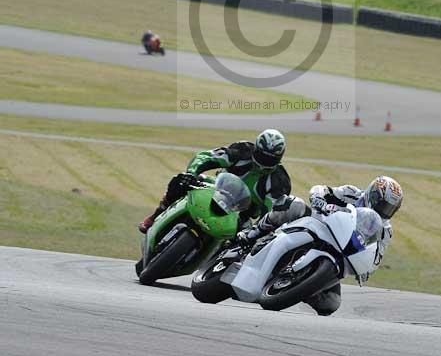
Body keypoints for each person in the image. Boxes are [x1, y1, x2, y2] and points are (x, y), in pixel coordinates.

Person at [236, 175, 403, 316]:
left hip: (339, 253)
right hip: (317, 226)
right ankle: (252, 234)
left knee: (331, 304)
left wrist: (365, 268)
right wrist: (320, 200)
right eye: (383, 205)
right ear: (372, 195)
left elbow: (376, 257)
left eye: (390, 209)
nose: (384, 211)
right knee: (294, 205)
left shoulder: (384, 230)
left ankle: (299, 286)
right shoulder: (352, 193)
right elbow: (321, 189)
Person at [138, 129, 300, 232]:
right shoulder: (242, 150)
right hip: (216, 188)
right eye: (262, 156)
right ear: (256, 149)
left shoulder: (280, 182)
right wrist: (192, 173)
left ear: (279, 158)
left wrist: (256, 230)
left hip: (242, 215)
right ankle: (155, 215)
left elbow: (271, 214)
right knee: (180, 180)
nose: (264, 162)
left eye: (270, 159)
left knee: (246, 243)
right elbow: (206, 157)